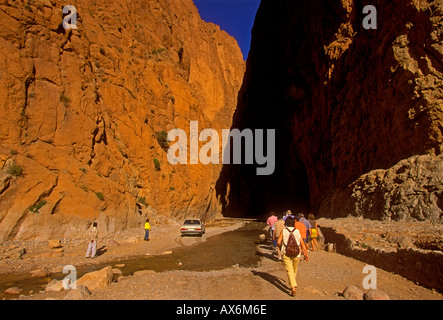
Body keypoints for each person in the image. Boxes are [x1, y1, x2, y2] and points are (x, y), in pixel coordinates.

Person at [277, 216, 309, 296]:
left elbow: (278, 242)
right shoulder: (297, 231)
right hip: (297, 253)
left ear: (286, 223)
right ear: (293, 223)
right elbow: (302, 243)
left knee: (289, 270)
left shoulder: (283, 231)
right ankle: (293, 284)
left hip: (286, 252)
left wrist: (281, 247)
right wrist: (306, 253)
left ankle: (293, 287)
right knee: (294, 269)